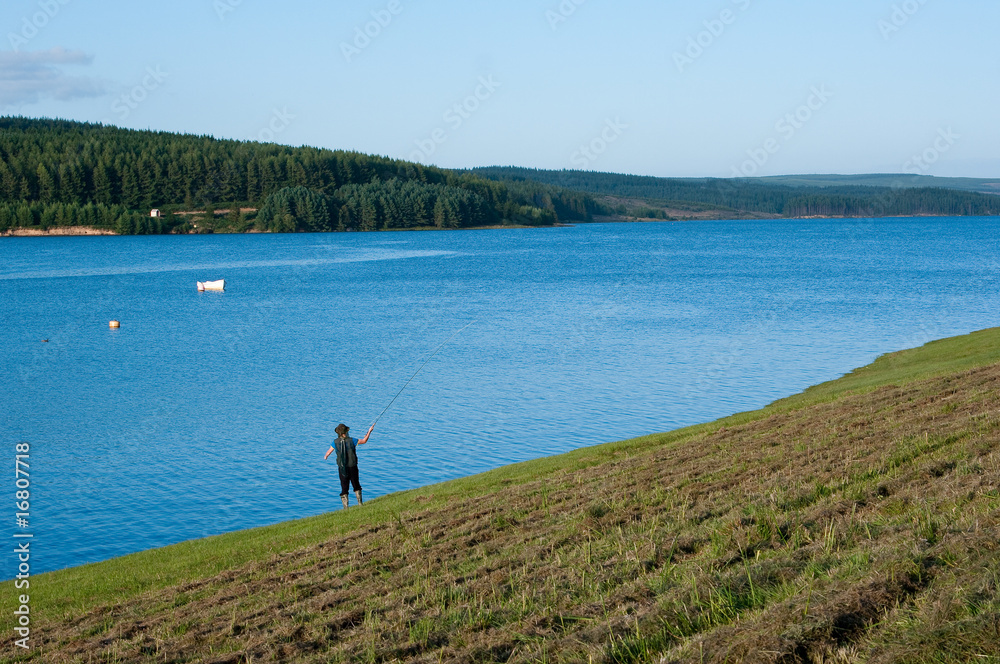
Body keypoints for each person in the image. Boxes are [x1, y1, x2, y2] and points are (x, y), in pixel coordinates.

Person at [324, 422, 374, 509]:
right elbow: (364, 441)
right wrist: (369, 431)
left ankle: (346, 507)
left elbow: (328, 452)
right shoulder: (352, 440)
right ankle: (360, 504)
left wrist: (326, 456)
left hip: (342, 468)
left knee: (344, 487)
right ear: (345, 432)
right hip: (352, 466)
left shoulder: (335, 442)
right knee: (356, 484)